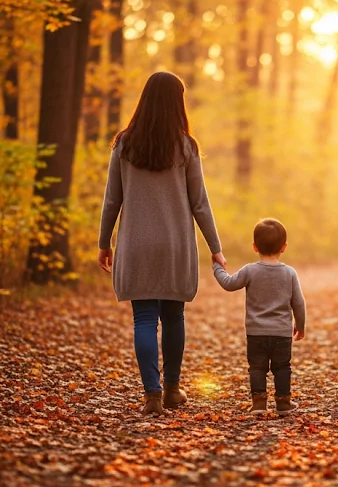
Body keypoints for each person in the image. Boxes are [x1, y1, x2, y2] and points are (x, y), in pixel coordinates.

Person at [97, 71, 226, 416]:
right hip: (174, 244)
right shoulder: (186, 146)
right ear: (176, 102)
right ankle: (171, 389)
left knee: (143, 319)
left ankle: (151, 394)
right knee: (173, 316)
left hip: (135, 244)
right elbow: (200, 202)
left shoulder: (124, 144)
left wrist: (104, 242)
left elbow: (112, 200)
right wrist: (215, 247)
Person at [212, 218, 306, 415]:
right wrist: (300, 325)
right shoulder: (289, 273)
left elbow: (228, 284)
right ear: (284, 247)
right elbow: (298, 303)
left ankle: (259, 403)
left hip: (256, 333)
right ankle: (283, 403)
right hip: (282, 333)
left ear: (255, 247)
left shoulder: (250, 270)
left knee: (257, 368)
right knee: (282, 367)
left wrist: (217, 267)